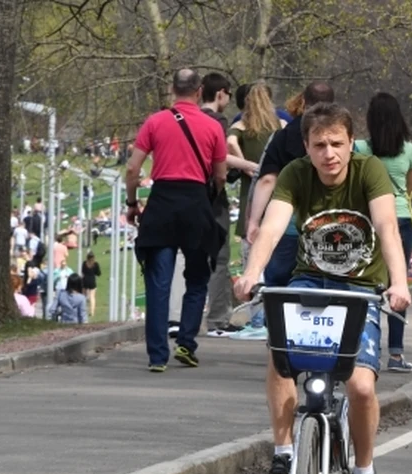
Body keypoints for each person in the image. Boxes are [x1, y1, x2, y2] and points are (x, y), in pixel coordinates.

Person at [233, 102, 411, 474]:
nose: (328, 153)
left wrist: (400, 283)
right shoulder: (296, 173)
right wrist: (252, 273)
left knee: (361, 385)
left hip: (359, 289)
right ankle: (283, 454)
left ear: (352, 144)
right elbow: (273, 228)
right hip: (310, 283)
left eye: (336, 144)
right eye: (319, 145)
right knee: (280, 358)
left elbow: (387, 226)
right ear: (307, 148)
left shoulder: (370, 171)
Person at [126, 69, 228, 372]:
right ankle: (186, 341)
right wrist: (209, 196)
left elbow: (133, 169)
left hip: (162, 203)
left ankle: (157, 356)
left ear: (173, 90)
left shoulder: (155, 122)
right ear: (198, 92)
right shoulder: (212, 127)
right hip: (196, 202)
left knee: (159, 282)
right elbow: (220, 175)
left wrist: (132, 202)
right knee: (197, 278)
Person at [240, 82, 334, 342]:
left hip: (287, 223)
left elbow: (267, 179)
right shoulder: (340, 137)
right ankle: (316, 336)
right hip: (326, 224)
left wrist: (254, 221)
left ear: (303, 101)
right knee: (320, 283)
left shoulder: (285, 134)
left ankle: (279, 341)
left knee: (279, 283)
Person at [353, 92, 412, 373]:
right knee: (397, 284)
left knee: (365, 283)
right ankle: (396, 353)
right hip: (401, 217)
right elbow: (408, 187)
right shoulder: (408, 150)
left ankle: (364, 349)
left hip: (370, 219)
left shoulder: (360, 148)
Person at [223, 81, 286, 339]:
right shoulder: (280, 126)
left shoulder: (241, 127)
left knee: (253, 261)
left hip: (253, 199)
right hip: (279, 199)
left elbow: (227, 145)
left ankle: (258, 317)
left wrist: (247, 164)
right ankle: (276, 318)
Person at [81, 251, 101, 317]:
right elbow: (98, 273)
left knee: (84, 296)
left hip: (85, 280)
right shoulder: (95, 264)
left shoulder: (84, 263)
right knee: (92, 297)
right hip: (92, 280)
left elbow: (83, 271)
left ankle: (83, 309)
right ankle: (92, 312)